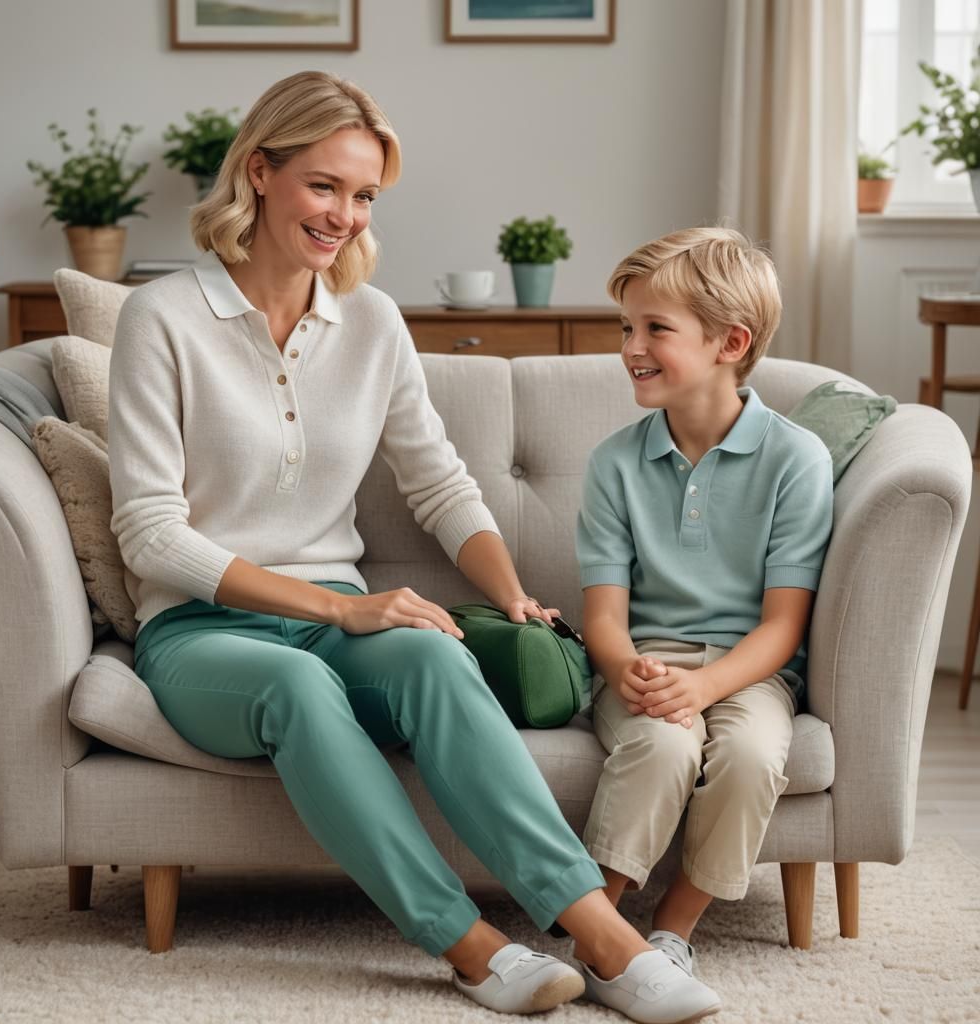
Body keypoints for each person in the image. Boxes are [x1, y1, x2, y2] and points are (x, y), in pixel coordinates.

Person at [108, 71, 720, 1022]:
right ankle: (473, 950)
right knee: (298, 686)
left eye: (364, 197)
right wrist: (341, 606)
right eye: (325, 186)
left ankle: (603, 940)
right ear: (259, 172)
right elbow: (150, 532)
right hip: (202, 631)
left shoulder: (371, 322)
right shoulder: (163, 318)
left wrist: (510, 593)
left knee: (435, 654)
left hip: (334, 619)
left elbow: (438, 482)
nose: (344, 216)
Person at [576, 227, 833, 993]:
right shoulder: (614, 462)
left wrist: (707, 687)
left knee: (753, 754)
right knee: (661, 746)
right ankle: (596, 927)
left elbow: (783, 625)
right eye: (627, 326)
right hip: (644, 663)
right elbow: (603, 619)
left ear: (732, 342)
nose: (631, 346)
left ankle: (672, 933)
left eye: (656, 328)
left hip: (750, 670)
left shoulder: (796, 459)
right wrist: (630, 671)